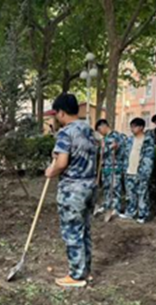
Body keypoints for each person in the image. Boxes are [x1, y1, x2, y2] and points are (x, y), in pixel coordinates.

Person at [45, 93, 98, 288]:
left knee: (72, 231)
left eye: (56, 113)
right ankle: (85, 271)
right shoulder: (88, 130)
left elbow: (62, 162)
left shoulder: (66, 132)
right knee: (84, 229)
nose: (56, 118)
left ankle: (76, 276)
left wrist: (52, 170)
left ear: (61, 112)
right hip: (90, 186)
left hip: (73, 189)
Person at [119, 118, 155, 224]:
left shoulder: (147, 141)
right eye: (131, 126)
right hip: (129, 170)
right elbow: (125, 154)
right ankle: (131, 212)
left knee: (142, 194)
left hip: (141, 172)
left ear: (141, 127)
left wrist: (145, 173)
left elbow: (149, 158)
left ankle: (143, 214)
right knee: (130, 194)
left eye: (134, 126)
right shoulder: (129, 140)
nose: (132, 129)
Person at [95, 119, 125, 221]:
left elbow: (118, 150)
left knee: (115, 187)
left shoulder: (116, 136)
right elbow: (101, 152)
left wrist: (109, 148)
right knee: (107, 187)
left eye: (99, 130)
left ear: (104, 126)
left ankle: (115, 207)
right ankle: (107, 204)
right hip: (106, 166)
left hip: (114, 166)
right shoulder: (104, 138)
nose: (99, 132)